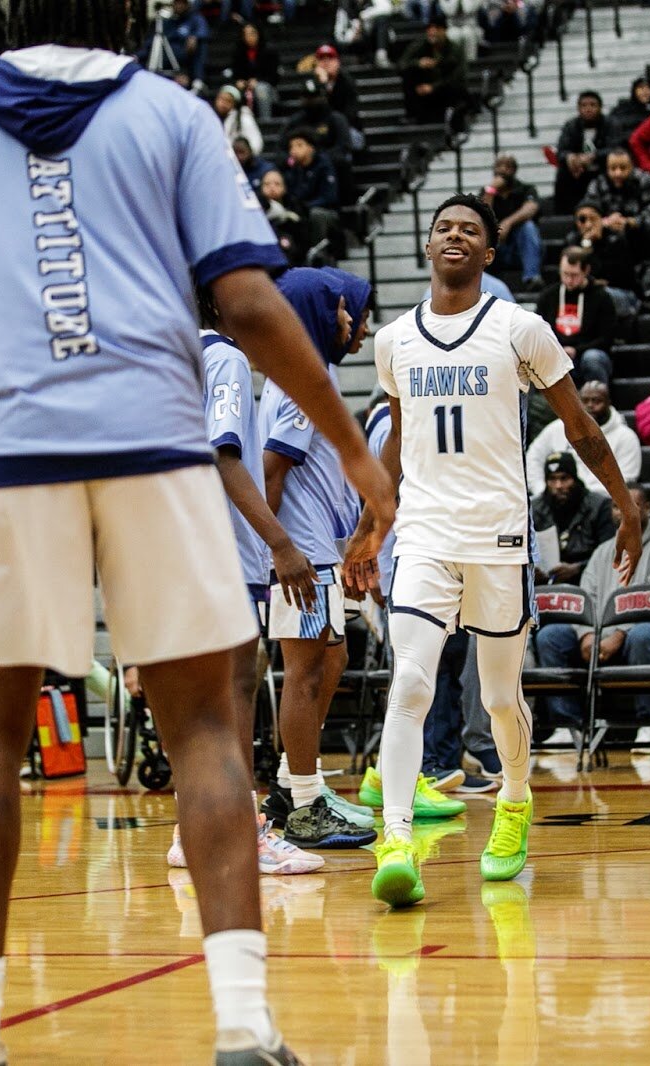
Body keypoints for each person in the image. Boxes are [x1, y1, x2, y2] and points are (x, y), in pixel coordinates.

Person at [0, 6, 393, 1060]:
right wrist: (354, 445)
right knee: (202, 728)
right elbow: (246, 300)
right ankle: (242, 1028)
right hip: (154, 446)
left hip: (8, 453)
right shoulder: (172, 112)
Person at [343, 193, 640, 909]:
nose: (454, 235)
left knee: (501, 697)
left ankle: (513, 800)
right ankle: (397, 840)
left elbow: (580, 426)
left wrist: (626, 505)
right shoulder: (394, 341)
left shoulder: (520, 330)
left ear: (488, 252)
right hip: (425, 531)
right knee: (410, 682)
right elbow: (397, 438)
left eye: (469, 230)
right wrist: (370, 523)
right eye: (443, 226)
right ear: (427, 246)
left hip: (500, 534)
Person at [179, 297, 326, 877]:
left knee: (198, 699)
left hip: (175, 540)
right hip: (219, 548)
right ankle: (244, 834)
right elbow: (225, 456)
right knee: (235, 687)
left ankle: (189, 829)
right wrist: (281, 544)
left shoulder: (172, 351)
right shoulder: (226, 359)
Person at [254, 268, 379, 851]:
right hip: (300, 559)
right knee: (303, 674)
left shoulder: (310, 375)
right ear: (321, 312)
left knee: (332, 659)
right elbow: (271, 474)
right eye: (351, 311)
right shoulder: (301, 382)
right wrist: (278, 553)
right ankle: (303, 804)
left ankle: (291, 783)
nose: (361, 323)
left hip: (316, 554)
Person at [538, 482, 650, 746]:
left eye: (629, 506)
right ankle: (567, 726)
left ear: (647, 509)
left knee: (644, 634)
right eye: (615, 507)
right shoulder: (603, 551)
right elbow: (588, 597)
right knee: (551, 636)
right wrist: (587, 635)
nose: (621, 513)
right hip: (603, 635)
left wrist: (618, 635)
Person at [525, 381, 641, 496]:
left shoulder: (626, 437)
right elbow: (533, 459)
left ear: (609, 403)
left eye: (596, 401)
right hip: (556, 498)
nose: (590, 405)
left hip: (602, 504)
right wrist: (542, 490)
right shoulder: (557, 428)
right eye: (585, 401)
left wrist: (585, 497)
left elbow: (627, 479)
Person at [531, 452, 617, 586]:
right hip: (543, 584)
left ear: (575, 478)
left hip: (588, 580)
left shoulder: (599, 506)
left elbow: (608, 554)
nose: (558, 486)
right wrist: (530, 570)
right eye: (552, 480)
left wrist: (578, 568)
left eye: (564, 478)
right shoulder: (534, 509)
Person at [535, 247, 617, 385]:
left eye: (574, 275)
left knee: (592, 358)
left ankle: (596, 402)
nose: (568, 280)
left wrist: (576, 350)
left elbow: (607, 337)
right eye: (565, 274)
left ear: (586, 271)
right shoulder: (549, 296)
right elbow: (539, 331)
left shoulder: (602, 297)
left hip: (588, 353)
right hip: (557, 353)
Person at [550, 90, 620, 212]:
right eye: (584, 105)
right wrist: (571, 158)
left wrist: (593, 157)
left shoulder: (611, 124)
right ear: (578, 108)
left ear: (600, 107)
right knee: (562, 173)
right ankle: (563, 214)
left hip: (601, 168)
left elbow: (615, 148)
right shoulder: (571, 125)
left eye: (593, 105)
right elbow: (561, 151)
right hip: (576, 171)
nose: (588, 109)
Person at [481, 154, 542, 287]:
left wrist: (508, 223)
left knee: (528, 227)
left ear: (514, 170)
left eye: (507, 166)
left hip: (520, 249)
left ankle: (532, 278)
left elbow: (531, 208)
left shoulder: (526, 189)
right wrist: (491, 191)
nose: (502, 170)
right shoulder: (486, 192)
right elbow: (481, 216)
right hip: (496, 249)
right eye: (499, 166)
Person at [400, 12, 468, 125]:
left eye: (436, 28)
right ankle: (412, 115)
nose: (432, 32)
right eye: (430, 28)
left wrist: (433, 87)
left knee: (458, 88)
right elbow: (402, 64)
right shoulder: (420, 46)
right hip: (424, 91)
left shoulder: (455, 49)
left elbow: (458, 75)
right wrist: (418, 63)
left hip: (444, 89)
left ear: (444, 30)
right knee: (409, 73)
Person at [141, 0, 210, 85]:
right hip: (165, 61)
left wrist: (195, 37)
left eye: (181, 3)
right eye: (176, 3)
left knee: (201, 45)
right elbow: (151, 42)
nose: (178, 6)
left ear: (187, 5)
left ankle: (197, 80)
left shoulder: (195, 19)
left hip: (184, 62)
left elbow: (203, 31)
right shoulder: (167, 21)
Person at [214, 85, 263, 152]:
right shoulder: (212, 118)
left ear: (235, 104)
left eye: (228, 101)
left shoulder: (244, 119)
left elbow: (257, 144)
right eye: (221, 99)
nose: (223, 103)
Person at [610, 76, 650, 143]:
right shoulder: (623, 109)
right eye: (641, 87)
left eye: (649, 88)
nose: (645, 91)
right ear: (634, 90)